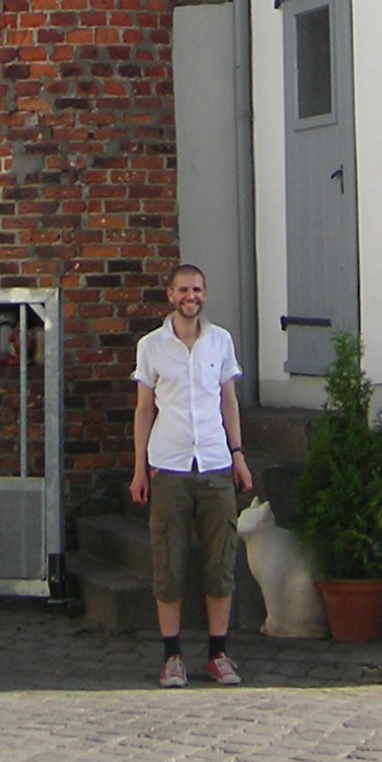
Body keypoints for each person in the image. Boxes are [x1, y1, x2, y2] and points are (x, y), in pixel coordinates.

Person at [129, 264, 253, 686]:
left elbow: (228, 401)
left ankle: (218, 654)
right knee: (169, 563)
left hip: (215, 463)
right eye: (183, 289)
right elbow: (144, 409)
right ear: (170, 295)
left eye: (197, 288)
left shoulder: (221, 342)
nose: (191, 295)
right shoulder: (152, 346)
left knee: (220, 563)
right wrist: (139, 468)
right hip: (170, 465)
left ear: (205, 293)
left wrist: (238, 455)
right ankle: (172, 656)